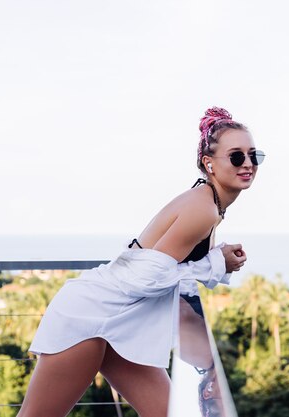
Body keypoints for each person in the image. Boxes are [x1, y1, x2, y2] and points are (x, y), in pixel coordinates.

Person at [17, 107, 265, 417]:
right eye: (237, 156)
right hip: (90, 320)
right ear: (209, 163)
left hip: (119, 325)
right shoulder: (203, 209)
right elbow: (145, 278)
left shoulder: (208, 203)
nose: (248, 164)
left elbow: (159, 268)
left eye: (254, 155)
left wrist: (215, 262)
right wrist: (215, 262)